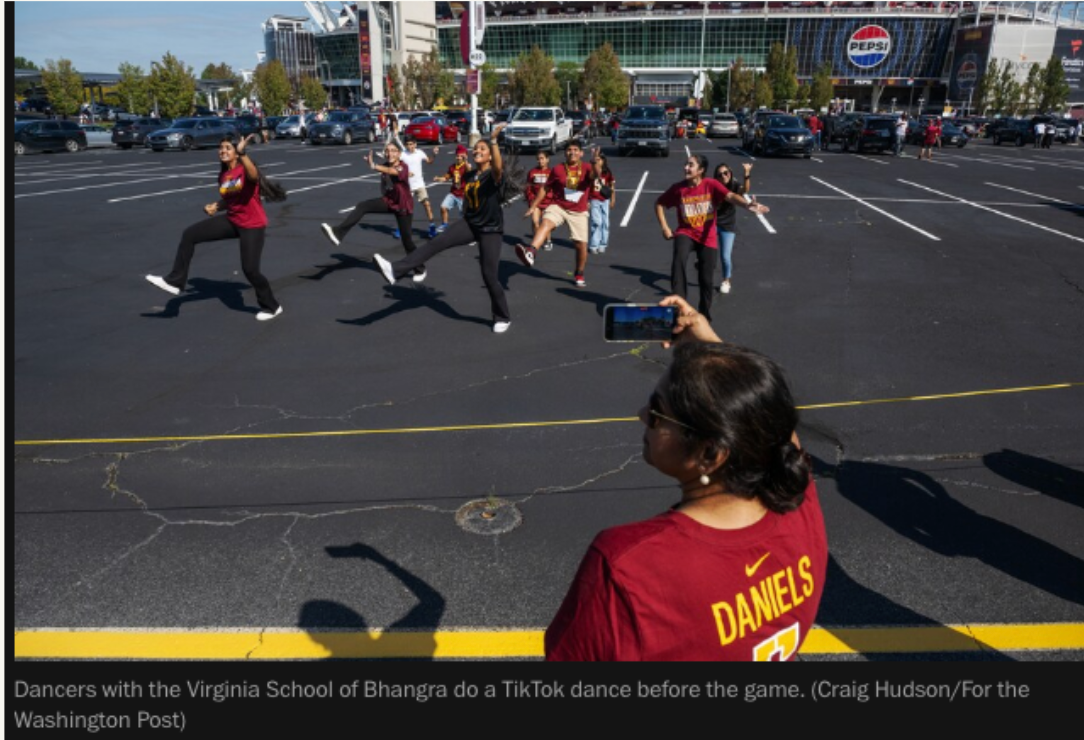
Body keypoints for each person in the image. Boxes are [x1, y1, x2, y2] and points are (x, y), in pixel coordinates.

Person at [544, 293, 828, 661]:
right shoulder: (795, 498)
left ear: (709, 454)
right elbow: (772, 422)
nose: (642, 414)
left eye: (659, 412)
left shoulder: (629, 566)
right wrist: (710, 349)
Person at [372, 123, 521, 334]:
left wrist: (494, 140)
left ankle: (502, 316)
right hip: (470, 224)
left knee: (489, 275)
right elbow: (462, 192)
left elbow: (498, 168)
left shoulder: (494, 176)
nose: (477, 151)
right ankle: (395, 270)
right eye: (476, 148)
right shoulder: (470, 176)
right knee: (435, 243)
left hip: (491, 230)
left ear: (489, 156)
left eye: (482, 149)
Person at [145, 135, 287, 321]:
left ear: (236, 153)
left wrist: (244, 153)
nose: (223, 151)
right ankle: (175, 281)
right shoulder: (223, 176)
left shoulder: (244, 169)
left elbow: (254, 176)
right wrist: (216, 206)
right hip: (233, 220)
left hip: (252, 225)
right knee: (190, 234)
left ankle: (272, 306)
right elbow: (231, 199)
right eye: (221, 148)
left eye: (228, 148)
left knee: (250, 270)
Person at [655, 154, 768, 321]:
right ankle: (679, 306)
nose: (686, 168)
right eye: (686, 164)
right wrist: (665, 227)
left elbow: (730, 196)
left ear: (700, 170)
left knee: (706, 279)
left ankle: (704, 313)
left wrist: (746, 205)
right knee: (679, 258)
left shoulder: (711, 185)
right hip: (686, 232)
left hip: (707, 237)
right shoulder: (678, 188)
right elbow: (660, 203)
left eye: (691, 165)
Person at [318, 140, 427, 282]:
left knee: (407, 241)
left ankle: (420, 269)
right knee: (363, 206)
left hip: (403, 206)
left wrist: (374, 165)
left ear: (399, 154)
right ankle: (338, 233)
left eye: (393, 150)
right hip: (389, 202)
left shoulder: (402, 166)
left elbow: (392, 171)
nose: (390, 153)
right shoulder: (385, 166)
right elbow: (385, 181)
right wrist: (383, 192)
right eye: (387, 150)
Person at [515, 140, 595, 287]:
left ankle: (579, 273)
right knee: (545, 222)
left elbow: (595, 175)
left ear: (581, 153)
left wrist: (596, 162)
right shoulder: (558, 169)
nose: (572, 152)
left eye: (576, 149)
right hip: (559, 206)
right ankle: (531, 251)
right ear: (565, 153)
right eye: (569, 150)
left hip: (579, 211)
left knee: (581, 246)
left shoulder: (587, 167)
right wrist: (533, 206)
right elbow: (545, 189)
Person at [713, 161, 753, 295]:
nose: (723, 176)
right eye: (720, 174)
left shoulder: (734, 185)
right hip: (711, 224)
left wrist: (746, 174)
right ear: (716, 177)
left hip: (727, 225)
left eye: (726, 173)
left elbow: (745, 190)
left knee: (725, 256)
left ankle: (726, 281)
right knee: (706, 253)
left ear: (730, 173)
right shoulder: (712, 186)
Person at [398, 136, 440, 238]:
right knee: (404, 209)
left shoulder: (420, 153)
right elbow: (396, 166)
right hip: (408, 186)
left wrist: (434, 154)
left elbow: (429, 161)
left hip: (420, 185)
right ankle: (401, 229)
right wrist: (404, 172)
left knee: (427, 205)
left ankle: (432, 227)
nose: (410, 146)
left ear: (415, 144)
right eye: (407, 144)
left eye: (411, 144)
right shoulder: (403, 155)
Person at [433, 144, 472, 233]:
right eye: (457, 156)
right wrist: (439, 178)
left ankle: (468, 231)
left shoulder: (466, 166)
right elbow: (446, 177)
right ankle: (444, 225)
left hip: (463, 195)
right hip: (453, 193)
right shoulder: (452, 167)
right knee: (443, 207)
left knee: (463, 215)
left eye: (460, 156)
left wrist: (466, 160)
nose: (458, 158)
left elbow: (469, 171)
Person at [525, 150, 555, 251]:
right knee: (535, 221)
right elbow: (528, 187)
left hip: (548, 202)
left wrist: (552, 200)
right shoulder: (532, 172)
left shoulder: (552, 173)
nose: (540, 161)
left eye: (542, 158)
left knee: (545, 222)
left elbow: (555, 189)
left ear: (547, 159)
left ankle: (548, 240)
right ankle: (538, 241)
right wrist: (531, 199)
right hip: (535, 202)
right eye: (538, 159)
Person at [588, 151, 616, 255]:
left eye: (599, 160)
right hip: (594, 200)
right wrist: (587, 201)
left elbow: (612, 186)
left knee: (605, 223)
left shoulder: (607, 172)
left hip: (605, 200)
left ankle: (603, 244)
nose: (598, 162)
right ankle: (594, 245)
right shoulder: (592, 172)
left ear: (603, 161)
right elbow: (587, 187)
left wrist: (613, 199)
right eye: (596, 160)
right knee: (597, 222)